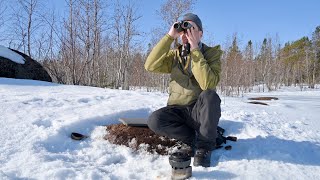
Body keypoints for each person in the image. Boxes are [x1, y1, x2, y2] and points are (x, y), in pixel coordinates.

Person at [144, 13, 222, 167]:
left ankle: (204, 147)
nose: (186, 34)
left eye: (191, 29)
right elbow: (150, 65)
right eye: (184, 29)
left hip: (198, 112)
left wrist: (195, 50)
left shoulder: (211, 55)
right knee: (154, 120)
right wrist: (169, 36)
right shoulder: (175, 56)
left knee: (210, 96)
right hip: (177, 111)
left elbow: (208, 84)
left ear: (200, 34)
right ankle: (189, 139)